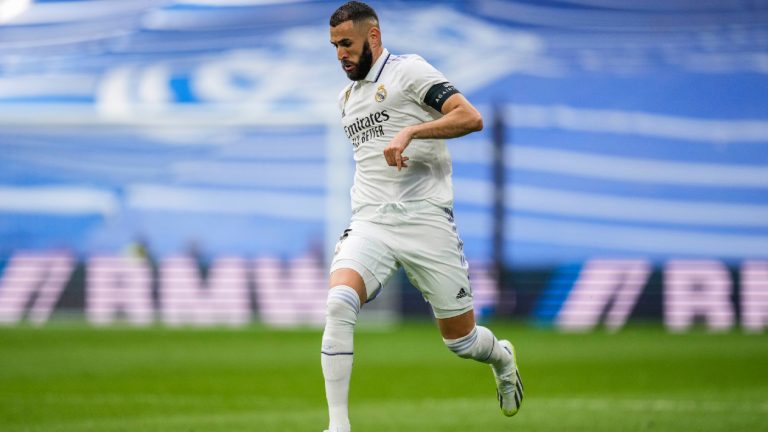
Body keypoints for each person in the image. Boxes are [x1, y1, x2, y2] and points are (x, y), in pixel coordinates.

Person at [321, 2, 523, 431]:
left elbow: (470, 117)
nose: (341, 53)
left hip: (426, 219)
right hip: (371, 220)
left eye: (347, 43)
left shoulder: (409, 72)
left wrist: (412, 130)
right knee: (339, 302)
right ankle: (338, 426)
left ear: (372, 37)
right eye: (335, 46)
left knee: (463, 342)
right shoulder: (346, 99)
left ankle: (502, 358)